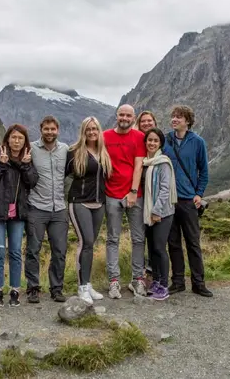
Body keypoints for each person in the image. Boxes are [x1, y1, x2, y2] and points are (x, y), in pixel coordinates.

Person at [0, 124, 39, 307]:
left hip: (18, 213)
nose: (16, 141)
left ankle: (15, 290)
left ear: (25, 141)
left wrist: (25, 166)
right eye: (13, 137)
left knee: (15, 252)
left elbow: (32, 182)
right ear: (8, 138)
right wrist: (1, 163)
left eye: (20, 138)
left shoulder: (27, 159)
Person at [163, 105, 213, 297]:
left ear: (188, 121)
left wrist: (199, 194)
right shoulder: (165, 140)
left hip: (188, 201)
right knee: (173, 242)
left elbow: (204, 172)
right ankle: (177, 282)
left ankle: (198, 283)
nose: (174, 119)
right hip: (169, 200)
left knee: (193, 242)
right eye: (173, 116)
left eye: (179, 117)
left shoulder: (198, 142)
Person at [65, 117, 113, 305]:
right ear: (83, 132)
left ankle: (88, 283)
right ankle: (82, 287)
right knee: (85, 242)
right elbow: (64, 176)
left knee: (91, 244)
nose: (92, 132)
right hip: (79, 203)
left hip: (99, 203)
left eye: (95, 129)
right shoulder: (74, 152)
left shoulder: (103, 151)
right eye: (88, 129)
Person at [24, 116, 70, 303]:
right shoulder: (32, 149)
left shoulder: (65, 149)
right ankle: (33, 288)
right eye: (46, 129)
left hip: (59, 208)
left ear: (57, 130)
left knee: (59, 250)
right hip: (36, 207)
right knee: (33, 249)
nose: (50, 132)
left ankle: (56, 288)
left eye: (53, 129)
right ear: (41, 129)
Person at [103, 104, 147, 298]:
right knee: (113, 239)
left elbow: (138, 166)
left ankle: (137, 280)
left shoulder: (139, 137)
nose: (124, 118)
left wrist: (133, 191)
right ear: (117, 115)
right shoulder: (105, 136)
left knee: (138, 239)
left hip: (134, 195)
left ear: (133, 117)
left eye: (128, 115)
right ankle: (114, 281)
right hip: (111, 194)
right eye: (121, 114)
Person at [140, 128, 177, 301]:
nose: (152, 143)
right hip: (148, 212)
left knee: (159, 248)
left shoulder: (163, 163)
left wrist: (156, 211)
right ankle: (155, 281)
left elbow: (165, 189)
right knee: (152, 248)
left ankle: (163, 285)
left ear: (160, 143)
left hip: (162, 213)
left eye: (155, 140)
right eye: (149, 140)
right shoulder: (146, 162)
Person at [134, 110, 158, 290]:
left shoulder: (157, 142)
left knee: (154, 237)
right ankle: (140, 274)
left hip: (155, 198)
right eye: (143, 121)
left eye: (150, 121)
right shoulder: (136, 141)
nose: (147, 124)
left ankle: (153, 274)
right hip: (139, 196)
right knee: (140, 236)